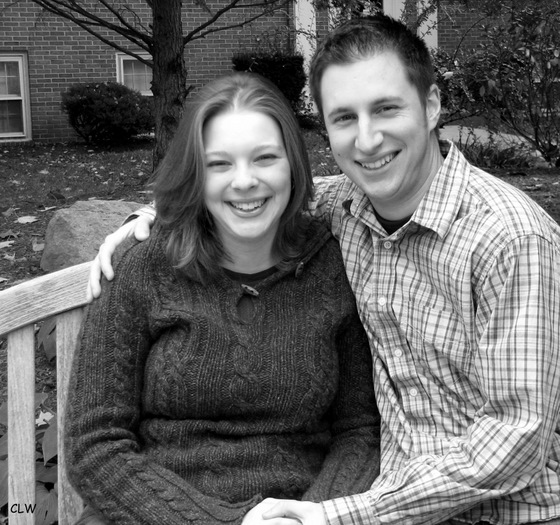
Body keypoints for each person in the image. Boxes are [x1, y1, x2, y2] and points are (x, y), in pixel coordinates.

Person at [88, 15, 560, 525]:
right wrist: (152, 218)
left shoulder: (511, 241)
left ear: (431, 105)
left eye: (386, 109)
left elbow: (515, 441)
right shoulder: (347, 207)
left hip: (536, 508)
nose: (367, 140)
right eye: (345, 118)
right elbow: (253, 193)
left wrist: (339, 515)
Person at [66, 72, 380, 525]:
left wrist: (316, 514)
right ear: (195, 174)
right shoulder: (143, 268)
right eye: (219, 164)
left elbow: (361, 431)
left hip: (298, 509)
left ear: (293, 164)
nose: (245, 181)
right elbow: (95, 444)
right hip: (155, 513)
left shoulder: (331, 265)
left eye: (265, 158)